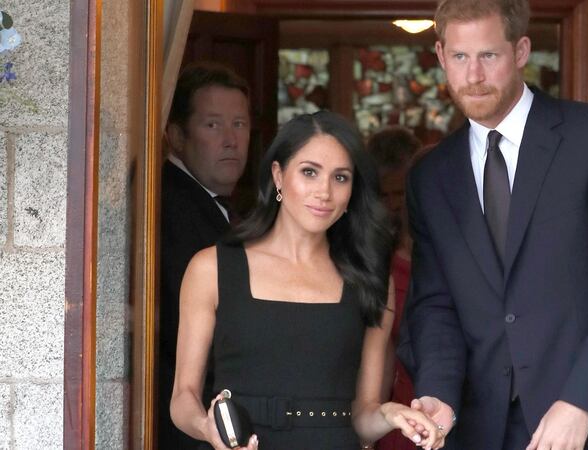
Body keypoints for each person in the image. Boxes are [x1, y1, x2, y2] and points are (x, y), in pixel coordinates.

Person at [400, 0, 588, 449]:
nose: (474, 75)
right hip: (484, 432)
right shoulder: (432, 176)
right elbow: (435, 304)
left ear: (521, 51)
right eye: (460, 57)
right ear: (442, 56)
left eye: (489, 55)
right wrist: (438, 394)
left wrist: (581, 402)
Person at [170, 111, 447, 450]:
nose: (324, 192)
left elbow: (363, 416)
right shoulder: (211, 268)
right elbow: (183, 398)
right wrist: (206, 427)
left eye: (341, 178)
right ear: (278, 176)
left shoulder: (370, 278)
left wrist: (392, 415)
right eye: (309, 172)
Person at [160, 62, 252, 448]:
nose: (231, 140)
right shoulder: (168, 205)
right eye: (213, 125)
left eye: (240, 124)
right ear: (177, 135)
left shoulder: (218, 206)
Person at [366, 127, 422, 450]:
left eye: (400, 194)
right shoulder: (371, 261)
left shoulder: (443, 251)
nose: (393, 206)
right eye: (383, 196)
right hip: (388, 412)